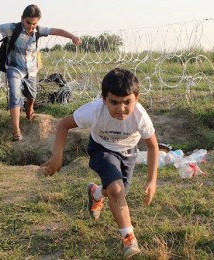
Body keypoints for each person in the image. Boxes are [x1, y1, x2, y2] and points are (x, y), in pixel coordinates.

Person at [40, 68, 159, 258]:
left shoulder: (140, 117)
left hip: (128, 153)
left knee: (117, 192)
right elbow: (64, 124)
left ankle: (95, 193)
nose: (121, 108)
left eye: (127, 102)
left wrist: (152, 181)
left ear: (136, 98)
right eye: (114, 102)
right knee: (117, 190)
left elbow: (153, 147)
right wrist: (57, 156)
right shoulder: (94, 111)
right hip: (101, 149)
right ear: (104, 99)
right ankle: (128, 238)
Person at [0, 4, 81, 141]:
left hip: (31, 70)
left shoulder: (38, 31)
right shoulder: (12, 28)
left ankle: (30, 107)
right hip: (14, 67)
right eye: (28, 22)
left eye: (34, 24)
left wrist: (72, 37)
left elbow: (57, 31)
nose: (31, 26)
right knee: (15, 95)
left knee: (32, 95)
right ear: (22, 19)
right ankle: (16, 131)